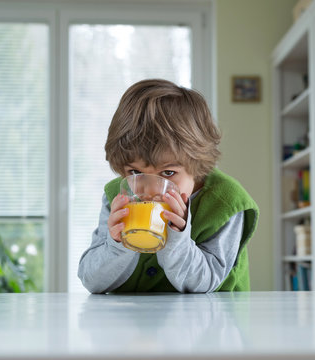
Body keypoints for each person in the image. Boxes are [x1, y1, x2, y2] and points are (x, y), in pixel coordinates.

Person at [78, 79, 259, 293]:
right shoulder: (118, 196)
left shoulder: (226, 202)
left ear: (198, 166)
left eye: (168, 173)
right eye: (135, 172)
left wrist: (177, 238)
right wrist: (116, 245)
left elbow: (206, 282)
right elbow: (91, 281)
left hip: (213, 321)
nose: (152, 192)